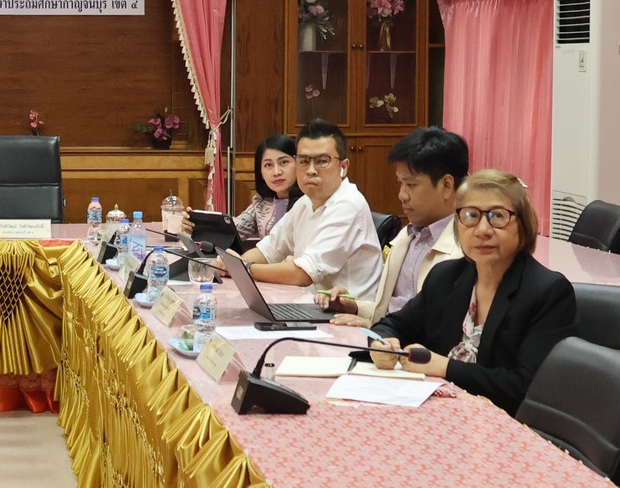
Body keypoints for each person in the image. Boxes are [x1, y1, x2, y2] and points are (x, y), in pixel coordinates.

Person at [368, 169, 576, 415]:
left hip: (502, 424)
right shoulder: (446, 277)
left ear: (523, 225)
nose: (482, 230)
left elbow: (527, 387)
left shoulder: (547, 292)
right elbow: (391, 325)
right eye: (470, 216)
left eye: (498, 216)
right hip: (440, 414)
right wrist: (382, 345)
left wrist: (446, 367)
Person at [233, 118, 382, 307]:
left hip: (346, 315)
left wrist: (244, 268)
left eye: (322, 161)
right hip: (310, 306)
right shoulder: (304, 202)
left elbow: (302, 274)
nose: (311, 170)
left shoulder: (348, 204)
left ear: (343, 167)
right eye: (303, 161)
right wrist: (232, 264)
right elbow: (268, 250)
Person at [362, 127, 468, 323]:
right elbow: (392, 309)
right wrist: (355, 307)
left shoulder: (467, 248)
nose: (402, 195)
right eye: (400, 183)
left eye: (411, 184)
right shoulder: (407, 235)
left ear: (446, 185)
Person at [234, 134, 299, 243]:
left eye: (283, 162)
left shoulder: (310, 202)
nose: (276, 172)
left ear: (299, 163)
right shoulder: (262, 203)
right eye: (268, 165)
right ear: (261, 173)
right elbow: (232, 231)